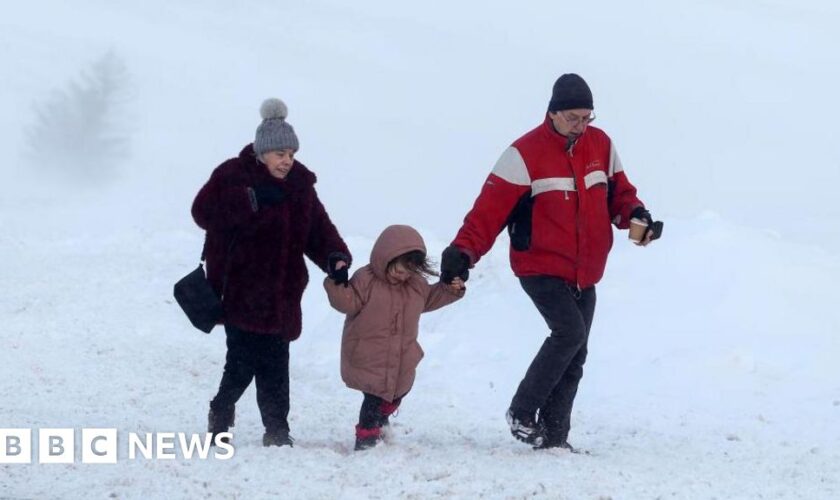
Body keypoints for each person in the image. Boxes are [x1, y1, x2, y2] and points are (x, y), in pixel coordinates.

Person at [440, 73, 660, 450]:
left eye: (587, 117)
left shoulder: (601, 145)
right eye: (574, 117)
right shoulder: (523, 154)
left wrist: (636, 215)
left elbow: (620, 195)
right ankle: (522, 412)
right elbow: (487, 214)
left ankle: (555, 437)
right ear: (553, 113)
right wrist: (463, 253)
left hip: (585, 270)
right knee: (569, 334)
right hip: (539, 266)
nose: (581, 125)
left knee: (577, 352)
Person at [191, 98, 352, 447]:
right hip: (240, 289)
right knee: (241, 362)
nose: (287, 160)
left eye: (291, 154)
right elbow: (202, 212)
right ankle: (221, 407)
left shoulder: (300, 188)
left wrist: (335, 257)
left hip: (282, 292)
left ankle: (277, 429)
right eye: (279, 153)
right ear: (262, 152)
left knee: (276, 365)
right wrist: (246, 201)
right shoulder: (233, 175)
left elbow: (319, 230)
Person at [324, 225, 466, 450]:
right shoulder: (366, 279)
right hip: (369, 355)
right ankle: (366, 441)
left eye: (409, 271)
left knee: (398, 392)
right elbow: (346, 302)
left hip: (401, 357)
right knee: (373, 399)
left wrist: (450, 289)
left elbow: (430, 299)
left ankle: (381, 420)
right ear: (385, 258)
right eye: (399, 271)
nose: (403, 276)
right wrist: (336, 280)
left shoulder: (416, 285)